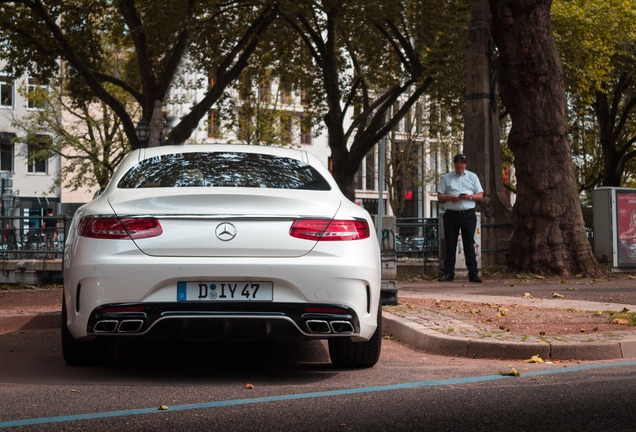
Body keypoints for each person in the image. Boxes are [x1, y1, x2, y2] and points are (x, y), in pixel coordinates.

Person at [437, 154, 484, 283]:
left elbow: (480, 195)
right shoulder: (447, 178)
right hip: (451, 214)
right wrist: (450, 198)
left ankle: (473, 274)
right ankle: (448, 273)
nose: (460, 170)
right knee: (450, 244)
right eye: (457, 168)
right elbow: (440, 196)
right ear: (454, 165)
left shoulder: (472, 177)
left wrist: (469, 197)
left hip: (468, 213)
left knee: (469, 243)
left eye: (462, 168)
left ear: (465, 165)